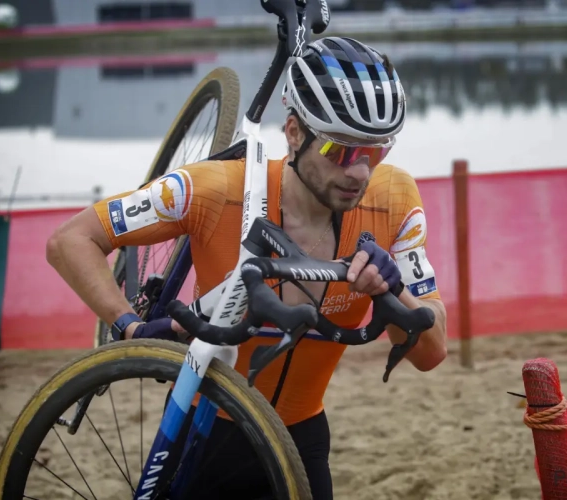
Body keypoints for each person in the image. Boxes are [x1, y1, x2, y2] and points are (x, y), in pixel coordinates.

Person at [46, 36, 447, 499]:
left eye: (375, 152)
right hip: (204, 434)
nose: (360, 171)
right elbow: (69, 241)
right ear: (294, 133)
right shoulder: (215, 190)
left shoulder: (394, 201)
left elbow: (432, 352)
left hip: (301, 439)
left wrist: (392, 293)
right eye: (340, 151)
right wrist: (130, 327)